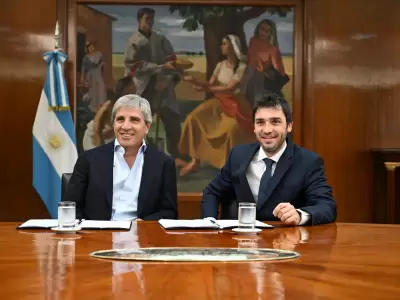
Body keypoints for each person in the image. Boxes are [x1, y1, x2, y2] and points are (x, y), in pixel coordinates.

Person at [201, 94, 336, 225]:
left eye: (275, 122)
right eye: (260, 122)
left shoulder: (308, 161)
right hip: (240, 241)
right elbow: (212, 192)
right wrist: (209, 224)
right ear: (254, 127)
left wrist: (300, 215)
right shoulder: (238, 155)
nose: (267, 130)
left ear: (289, 126)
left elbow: (326, 206)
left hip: (285, 241)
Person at [63, 94, 178, 221]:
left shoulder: (164, 163)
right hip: (98, 237)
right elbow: (70, 209)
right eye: (120, 119)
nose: (126, 126)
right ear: (114, 124)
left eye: (134, 120)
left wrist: (144, 226)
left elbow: (169, 213)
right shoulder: (88, 160)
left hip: (143, 237)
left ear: (147, 127)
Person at [178, 35, 256, 176]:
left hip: (237, 104)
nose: (222, 46)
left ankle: (229, 168)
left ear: (233, 46)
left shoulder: (242, 66)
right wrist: (194, 81)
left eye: (225, 44)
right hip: (219, 102)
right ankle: (195, 161)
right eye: (222, 43)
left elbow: (229, 88)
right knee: (193, 117)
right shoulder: (220, 65)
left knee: (232, 129)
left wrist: (204, 88)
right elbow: (210, 85)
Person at [124, 7, 186, 168]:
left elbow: (173, 61)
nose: (150, 22)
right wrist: (158, 67)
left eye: (152, 18)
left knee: (172, 119)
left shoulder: (160, 39)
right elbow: (133, 66)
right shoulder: (134, 41)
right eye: (147, 19)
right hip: (144, 87)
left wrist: (169, 78)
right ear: (139, 20)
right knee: (140, 123)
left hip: (163, 85)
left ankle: (175, 155)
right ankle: (139, 157)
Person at [82, 76, 136, 151]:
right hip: (94, 139)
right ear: (124, 91)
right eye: (131, 91)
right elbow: (97, 126)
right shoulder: (110, 105)